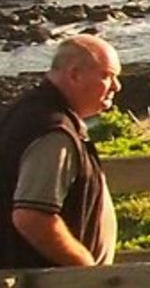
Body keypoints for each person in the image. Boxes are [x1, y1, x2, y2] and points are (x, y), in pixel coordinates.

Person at [0, 35, 121, 268]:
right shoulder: (53, 131)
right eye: (107, 75)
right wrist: (87, 270)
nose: (116, 86)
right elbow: (31, 217)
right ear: (74, 74)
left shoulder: (24, 113)